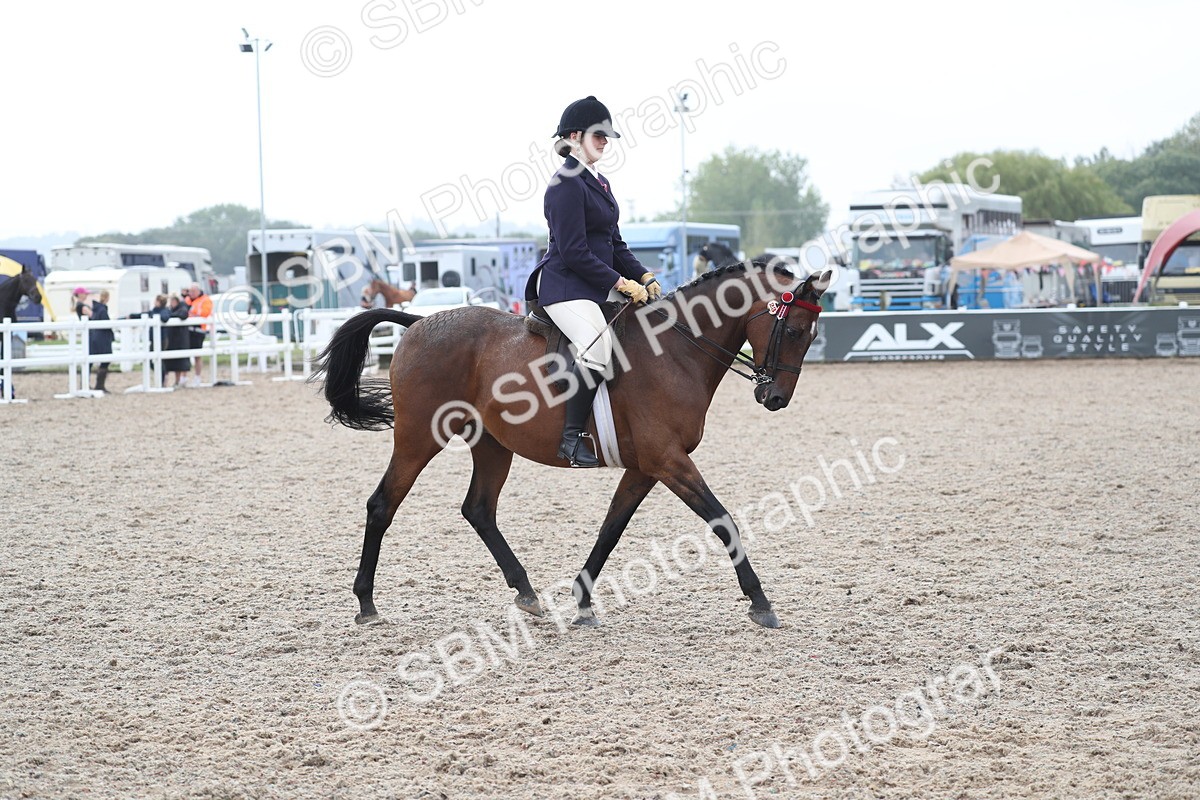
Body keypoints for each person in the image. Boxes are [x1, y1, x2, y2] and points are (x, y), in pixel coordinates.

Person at [533, 95, 661, 467]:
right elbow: (573, 252)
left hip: (595, 284)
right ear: (575, 137)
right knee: (599, 347)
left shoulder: (599, 182)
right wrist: (623, 284)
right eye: (599, 136)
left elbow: (614, 243)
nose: (606, 143)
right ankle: (571, 439)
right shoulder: (564, 185)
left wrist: (644, 275)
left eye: (607, 137)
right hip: (565, 287)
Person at [185, 282, 213, 386]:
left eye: (193, 291)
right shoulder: (187, 300)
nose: (191, 293)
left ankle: (197, 377)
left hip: (198, 331)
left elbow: (205, 313)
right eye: (190, 291)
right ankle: (184, 377)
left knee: (197, 355)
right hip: (187, 330)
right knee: (185, 353)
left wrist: (193, 314)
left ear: (198, 291)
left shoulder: (205, 300)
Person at [88, 290, 115, 392]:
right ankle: (99, 384)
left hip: (96, 337)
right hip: (102, 338)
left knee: (102, 360)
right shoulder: (102, 310)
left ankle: (98, 384)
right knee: (105, 360)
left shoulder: (96, 309)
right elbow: (106, 324)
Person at [164, 294, 192, 387]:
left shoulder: (182, 308)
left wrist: (171, 316)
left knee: (179, 363)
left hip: (179, 340)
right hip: (172, 340)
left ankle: (178, 381)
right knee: (168, 362)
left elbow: (183, 315)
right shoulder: (169, 309)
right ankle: (166, 382)